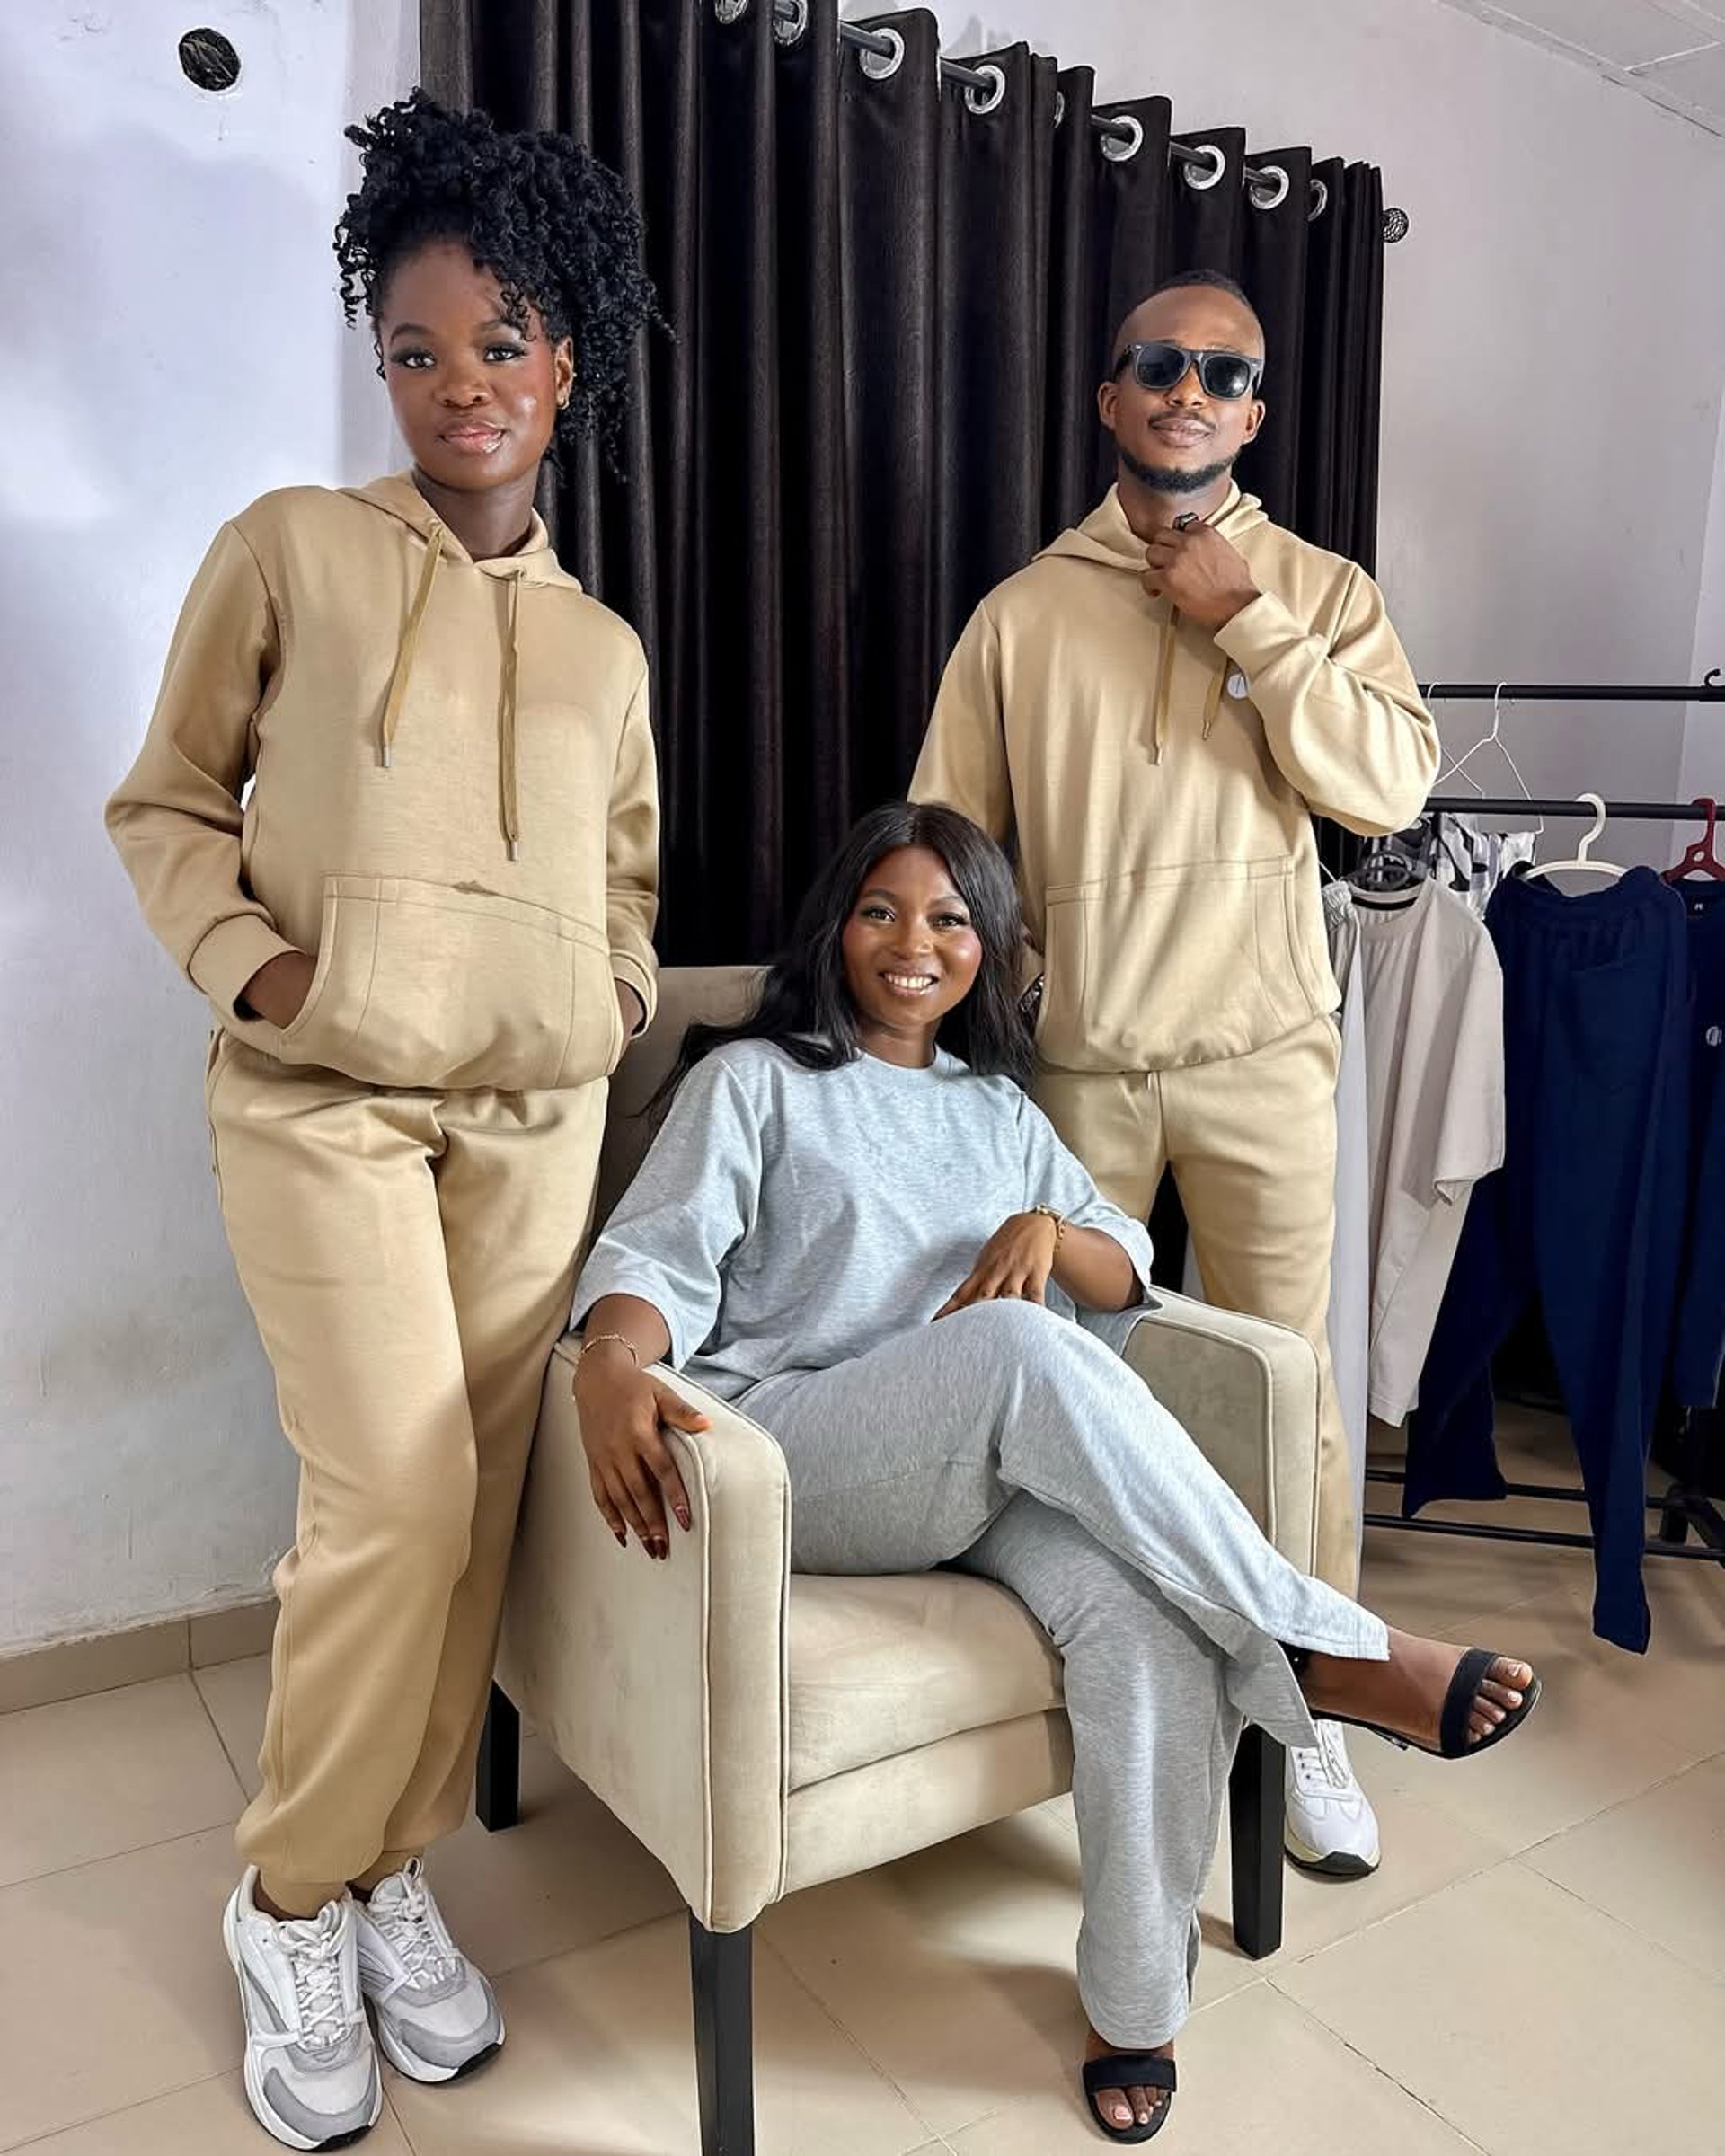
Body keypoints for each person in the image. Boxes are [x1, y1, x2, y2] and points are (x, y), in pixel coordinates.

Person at [568, 801, 1538, 2144]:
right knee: (1022, 1346)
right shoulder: (756, 1082)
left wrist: (1045, 1223)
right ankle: (1316, 1640)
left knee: (1146, 1608)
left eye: (950, 918)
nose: (914, 942)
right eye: (881, 911)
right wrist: (610, 1362)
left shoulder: (1000, 1111)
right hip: (796, 1457)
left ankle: (1135, 2003)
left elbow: (1121, 1266)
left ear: (990, 946)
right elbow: (654, 1260)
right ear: (836, 928)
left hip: (968, 1476)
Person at [105, 92, 661, 2151]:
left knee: (478, 1519)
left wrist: (609, 1003)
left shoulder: (603, 648)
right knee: (396, 1508)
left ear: (563, 363)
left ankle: (385, 1866)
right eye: (417, 350)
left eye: (499, 344)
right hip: (324, 1106)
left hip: (529, 1123)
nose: (460, 387)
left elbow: (624, 879)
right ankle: (287, 1896)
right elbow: (167, 801)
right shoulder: (291, 549)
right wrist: (269, 979)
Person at [910, 269, 1440, 1881]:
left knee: (1291, 1391)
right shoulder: (1022, 613)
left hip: (1267, 1058)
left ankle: (1316, 1706)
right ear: (1112, 396)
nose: (1188, 389)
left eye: (1222, 371)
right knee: (1079, 1391)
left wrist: (1247, 618)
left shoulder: (1323, 591)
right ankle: (1122, 1695)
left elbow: (1390, 788)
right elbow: (950, 847)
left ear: (1255, 412)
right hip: (1079, 1070)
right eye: (1158, 363)